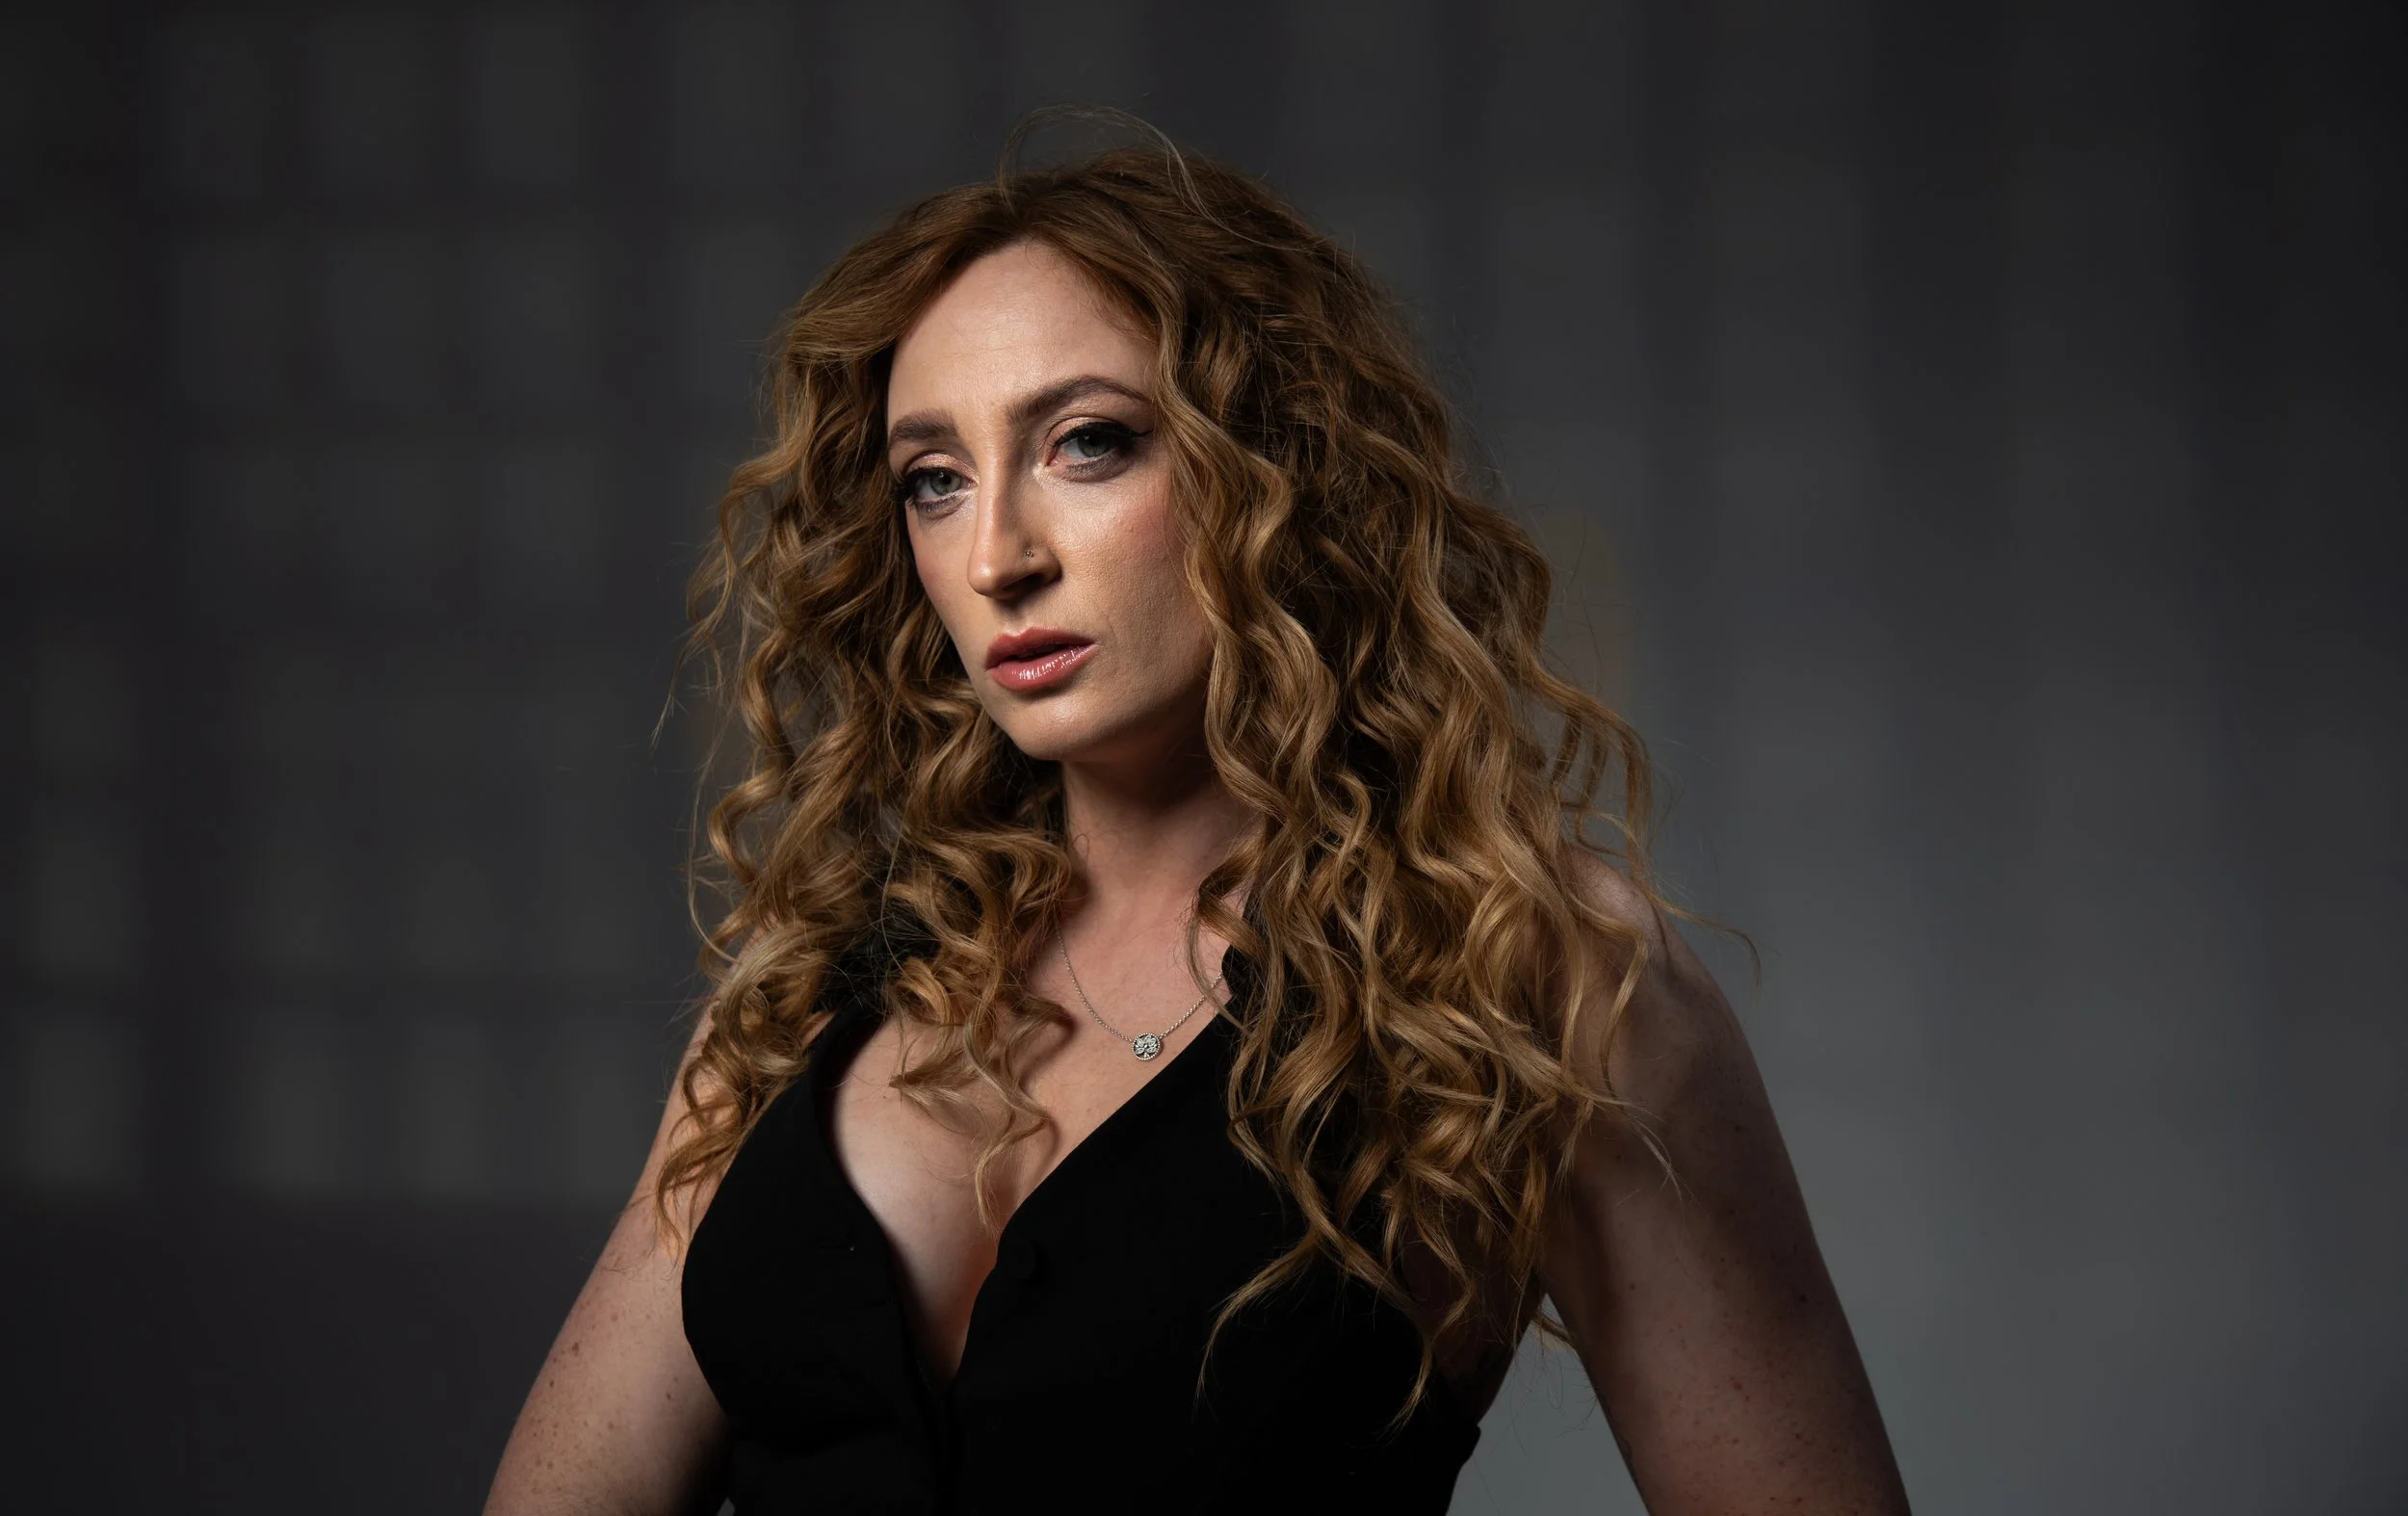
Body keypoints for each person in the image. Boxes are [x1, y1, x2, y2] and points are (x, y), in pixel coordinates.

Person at [484, 135, 1911, 1515]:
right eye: (937, 478)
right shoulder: (802, 1007)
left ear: (1276, 470)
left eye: (1088, 444)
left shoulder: (1535, 980)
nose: (999, 556)